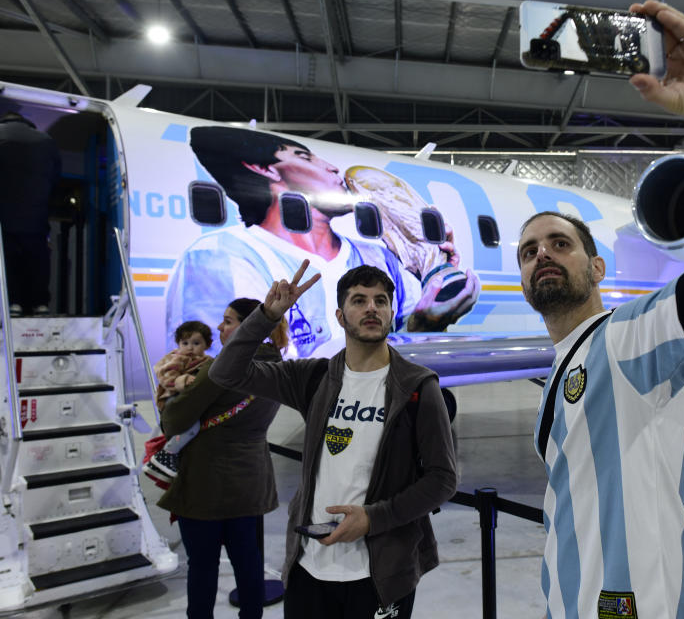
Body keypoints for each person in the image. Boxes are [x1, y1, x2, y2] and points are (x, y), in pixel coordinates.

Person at [518, 0, 684, 618]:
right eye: (528, 251)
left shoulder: (628, 340)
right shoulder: (564, 362)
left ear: (596, 268)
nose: (542, 255)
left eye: (560, 243)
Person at [208, 263, 457, 619]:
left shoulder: (417, 387)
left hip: (380, 573)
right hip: (310, 566)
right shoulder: (313, 378)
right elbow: (225, 372)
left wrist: (374, 519)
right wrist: (266, 317)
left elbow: (442, 479)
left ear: (390, 313)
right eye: (359, 300)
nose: (371, 308)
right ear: (341, 316)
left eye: (381, 301)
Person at [166, 126, 478, 358]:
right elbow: (237, 371)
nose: (332, 167)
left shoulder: (379, 256)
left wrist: (430, 289)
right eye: (304, 157)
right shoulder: (220, 256)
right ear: (262, 168)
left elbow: (403, 338)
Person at [157, 298, 288, 619]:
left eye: (228, 320)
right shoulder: (276, 365)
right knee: (250, 566)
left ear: (248, 326)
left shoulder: (221, 368)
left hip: (205, 486)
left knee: (202, 569)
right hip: (252, 483)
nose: (219, 327)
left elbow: (173, 420)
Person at [0, 111, 61, 316]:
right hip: (36, 216)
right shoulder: (46, 140)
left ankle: (13, 302)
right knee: (37, 259)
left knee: (9, 260)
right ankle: (40, 304)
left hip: (5, 216)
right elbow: (55, 177)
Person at [143, 320, 216, 484]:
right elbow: (165, 378)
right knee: (191, 428)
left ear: (207, 344)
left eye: (196, 343)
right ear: (178, 344)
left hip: (188, 400)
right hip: (172, 399)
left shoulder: (206, 361)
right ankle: (167, 454)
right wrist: (181, 380)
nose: (190, 347)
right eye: (185, 343)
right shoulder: (176, 359)